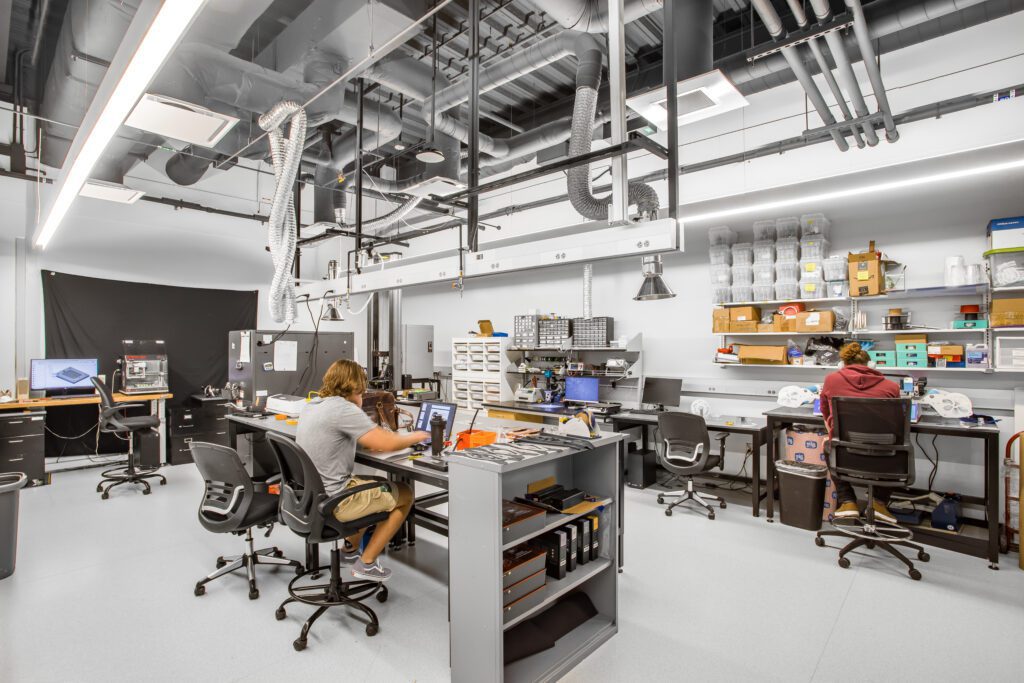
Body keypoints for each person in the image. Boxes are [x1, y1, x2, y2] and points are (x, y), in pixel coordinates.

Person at [296, 359, 429, 582]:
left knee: (370, 485)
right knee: (405, 494)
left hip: (309, 497)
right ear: (355, 385)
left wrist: (370, 437)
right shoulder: (343, 408)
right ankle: (366, 562)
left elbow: (346, 437)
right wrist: (419, 436)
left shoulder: (313, 405)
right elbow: (387, 443)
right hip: (335, 500)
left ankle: (349, 551)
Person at [819, 342, 901, 523]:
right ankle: (879, 502)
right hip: (883, 456)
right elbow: (897, 423)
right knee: (898, 447)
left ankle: (847, 501)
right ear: (871, 366)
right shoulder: (892, 387)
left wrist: (832, 433)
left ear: (842, 365)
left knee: (828, 445)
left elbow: (825, 412)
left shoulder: (831, 380)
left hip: (846, 453)